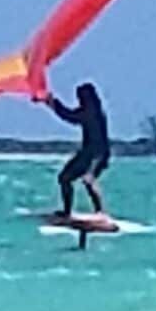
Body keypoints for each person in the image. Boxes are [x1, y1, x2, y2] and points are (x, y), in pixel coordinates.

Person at [46, 82, 110, 217]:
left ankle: (100, 212)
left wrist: (52, 103)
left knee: (88, 179)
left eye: (81, 97)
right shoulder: (91, 111)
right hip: (87, 153)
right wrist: (51, 102)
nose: (80, 100)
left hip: (98, 154)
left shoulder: (92, 113)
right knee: (64, 178)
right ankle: (67, 212)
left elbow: (70, 116)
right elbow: (70, 115)